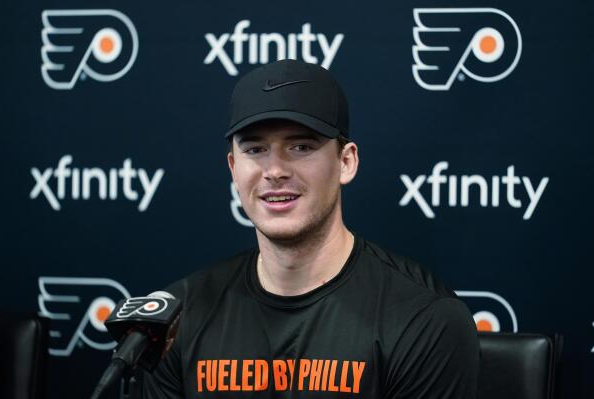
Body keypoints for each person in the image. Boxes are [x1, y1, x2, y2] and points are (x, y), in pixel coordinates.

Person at [141, 59, 479, 398]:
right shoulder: (176, 318)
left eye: (300, 147)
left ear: (346, 162)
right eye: (255, 149)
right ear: (233, 167)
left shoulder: (423, 319)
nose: (274, 171)